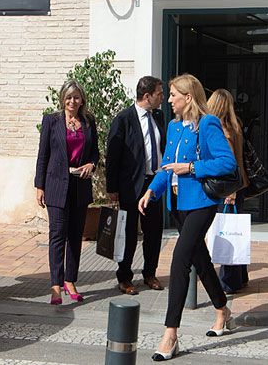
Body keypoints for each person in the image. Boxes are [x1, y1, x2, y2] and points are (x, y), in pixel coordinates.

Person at [138, 74, 237, 361]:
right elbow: (167, 166)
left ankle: (170, 334)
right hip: (178, 203)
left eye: (173, 95)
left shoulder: (207, 124)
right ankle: (223, 310)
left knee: (180, 258)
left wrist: (192, 167)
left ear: (188, 97)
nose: (168, 100)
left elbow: (226, 162)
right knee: (200, 260)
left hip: (202, 202)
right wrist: (151, 192)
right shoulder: (173, 126)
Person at [35, 80, 99, 305]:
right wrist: (39, 186)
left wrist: (92, 164)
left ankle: (70, 280)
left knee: (75, 236)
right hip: (55, 185)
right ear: (63, 98)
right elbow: (43, 155)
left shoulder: (88, 122)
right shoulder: (51, 121)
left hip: (80, 186)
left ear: (82, 99)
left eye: (77, 97)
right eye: (69, 97)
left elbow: (95, 154)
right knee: (57, 235)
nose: (73, 101)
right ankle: (56, 285)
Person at [106, 76, 166, 295]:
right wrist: (112, 188)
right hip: (131, 185)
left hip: (155, 183)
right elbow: (113, 155)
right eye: (160, 93)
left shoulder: (159, 116)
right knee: (129, 233)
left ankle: (150, 273)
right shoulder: (123, 119)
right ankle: (124, 277)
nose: (163, 97)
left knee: (154, 232)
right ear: (147, 96)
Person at [206, 89, 249, 294]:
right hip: (238, 187)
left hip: (227, 189)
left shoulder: (223, 131)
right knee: (234, 231)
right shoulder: (235, 126)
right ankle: (240, 277)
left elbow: (229, 165)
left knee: (227, 233)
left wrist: (229, 193)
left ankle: (228, 282)